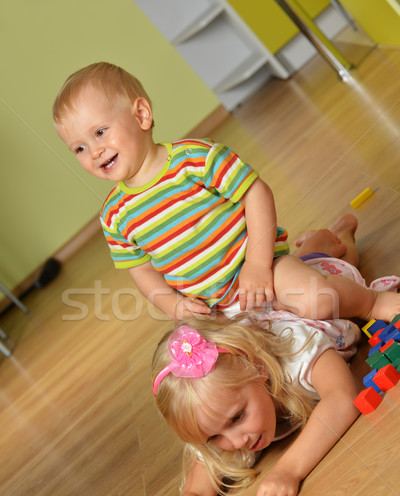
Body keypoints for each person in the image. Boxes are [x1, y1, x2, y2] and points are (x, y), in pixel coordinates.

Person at [53, 62, 400, 323]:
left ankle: (371, 300)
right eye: (79, 148)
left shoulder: (194, 158)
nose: (94, 151)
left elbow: (257, 193)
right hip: (219, 309)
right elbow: (143, 271)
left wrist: (258, 264)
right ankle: (323, 243)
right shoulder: (114, 215)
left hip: (267, 268)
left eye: (100, 132)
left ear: (141, 114)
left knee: (317, 300)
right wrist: (173, 306)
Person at [151, 219, 400, 496]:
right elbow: (192, 495)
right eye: (214, 436)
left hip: (305, 299)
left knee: (339, 265)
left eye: (238, 418)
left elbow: (342, 398)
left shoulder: (295, 350)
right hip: (257, 311)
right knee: (306, 260)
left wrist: (288, 470)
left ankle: (339, 236)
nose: (236, 440)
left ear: (260, 369)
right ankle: (312, 245)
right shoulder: (217, 418)